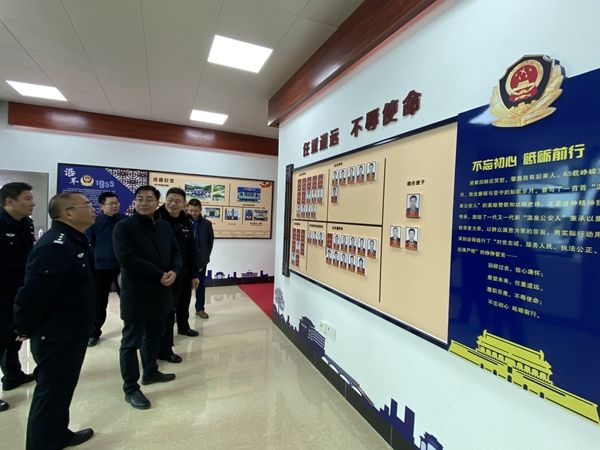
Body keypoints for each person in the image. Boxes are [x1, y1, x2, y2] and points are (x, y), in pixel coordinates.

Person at [14, 192, 96, 448]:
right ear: (68, 212)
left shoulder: (75, 240)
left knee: (61, 391)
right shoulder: (56, 245)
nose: (92, 209)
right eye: (87, 205)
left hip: (72, 330)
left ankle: (58, 434)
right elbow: (33, 293)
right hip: (57, 334)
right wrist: (24, 326)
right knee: (50, 394)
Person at [113, 186, 182, 410]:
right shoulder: (124, 227)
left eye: (149, 199)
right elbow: (126, 258)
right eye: (140, 199)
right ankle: (131, 388)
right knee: (130, 342)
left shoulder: (163, 226)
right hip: (137, 293)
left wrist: (174, 271)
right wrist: (158, 274)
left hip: (162, 292)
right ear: (135, 202)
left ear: (157, 203)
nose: (144, 203)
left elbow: (176, 252)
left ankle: (150, 372)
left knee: (155, 336)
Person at [0, 182, 36, 412]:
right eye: (27, 198)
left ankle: (12, 375)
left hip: (18, 290)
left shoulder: (25, 223)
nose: (33, 203)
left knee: (13, 335)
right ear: (10, 201)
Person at [157, 188, 200, 365]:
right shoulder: (157, 219)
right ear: (165, 200)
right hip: (166, 274)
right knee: (167, 311)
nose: (173, 204)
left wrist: (194, 274)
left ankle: (183, 327)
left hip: (184, 272)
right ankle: (165, 347)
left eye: (178, 201)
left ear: (184, 204)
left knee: (184, 302)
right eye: (170, 200)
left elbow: (192, 249)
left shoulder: (186, 222)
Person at [85, 192, 127, 347]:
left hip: (122, 267)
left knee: (127, 298)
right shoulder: (95, 222)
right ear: (102, 206)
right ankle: (94, 332)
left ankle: (131, 328)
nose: (115, 206)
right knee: (99, 301)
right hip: (101, 268)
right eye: (111, 203)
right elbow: (89, 243)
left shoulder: (125, 220)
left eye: (116, 203)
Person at [188, 199, 214, 320]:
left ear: (200, 210)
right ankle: (179, 312)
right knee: (183, 288)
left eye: (196, 211)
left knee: (200, 286)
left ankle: (200, 309)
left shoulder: (207, 224)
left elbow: (209, 243)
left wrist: (203, 260)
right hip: (186, 261)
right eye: (191, 210)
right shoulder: (183, 222)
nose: (193, 213)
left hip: (200, 262)